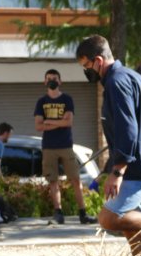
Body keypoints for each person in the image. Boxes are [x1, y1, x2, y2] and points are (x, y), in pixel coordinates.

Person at [75, 34, 141, 256]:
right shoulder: (133, 76)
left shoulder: (116, 83)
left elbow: (128, 129)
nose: (86, 71)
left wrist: (117, 171)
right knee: (128, 222)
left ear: (98, 61)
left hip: (138, 166)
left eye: (86, 66)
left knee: (109, 218)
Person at [34, 69, 97, 225]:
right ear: (44, 82)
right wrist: (59, 122)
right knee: (53, 182)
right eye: (48, 78)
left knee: (75, 180)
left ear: (60, 81)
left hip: (66, 146)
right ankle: (58, 213)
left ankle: (83, 213)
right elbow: (38, 126)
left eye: (54, 78)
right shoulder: (41, 102)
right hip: (49, 147)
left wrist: (49, 121)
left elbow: (69, 122)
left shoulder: (67, 99)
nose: (51, 81)